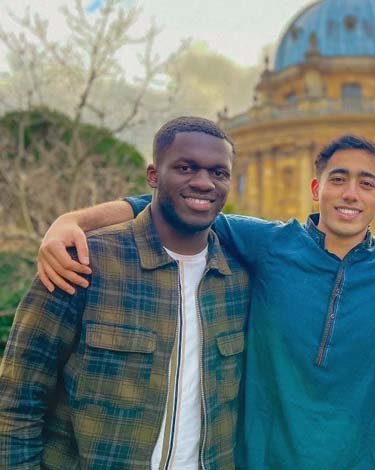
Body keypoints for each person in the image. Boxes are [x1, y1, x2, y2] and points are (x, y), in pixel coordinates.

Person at [33, 135, 375, 468]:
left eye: (365, 183)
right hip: (265, 457)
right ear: (317, 188)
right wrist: (72, 221)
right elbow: (166, 206)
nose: (350, 193)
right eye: (338, 179)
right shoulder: (269, 243)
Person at [0, 116, 250, 468]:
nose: (203, 182)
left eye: (218, 172)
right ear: (153, 175)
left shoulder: (238, 279)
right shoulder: (84, 262)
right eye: (185, 168)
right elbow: (17, 401)